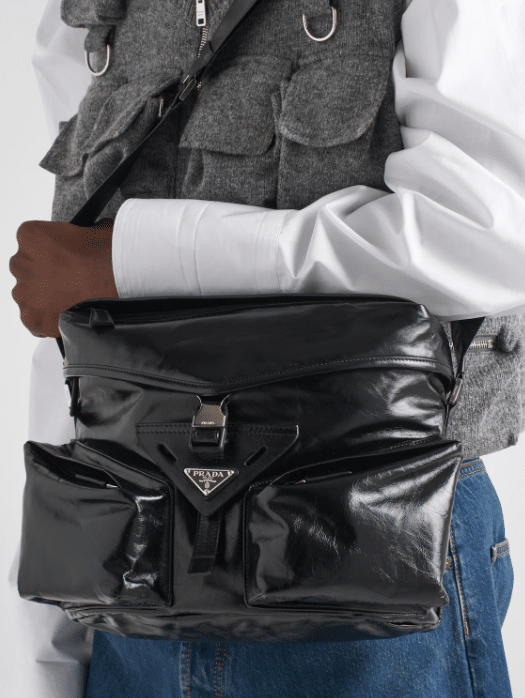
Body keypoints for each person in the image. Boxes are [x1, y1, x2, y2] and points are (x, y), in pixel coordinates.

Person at [8, 0, 523, 695]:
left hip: (377, 551)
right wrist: (47, 656)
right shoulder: (88, 12)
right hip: (127, 570)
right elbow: (74, 320)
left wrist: (137, 258)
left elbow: (485, 236)